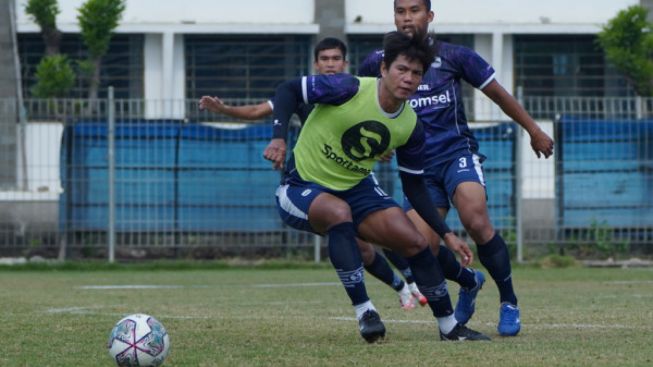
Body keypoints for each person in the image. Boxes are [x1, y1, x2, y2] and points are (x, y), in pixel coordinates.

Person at [269, 30, 490, 343]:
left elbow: (414, 188)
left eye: (416, 73)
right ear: (384, 68)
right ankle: (365, 311)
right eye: (402, 69)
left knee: (415, 242)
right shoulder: (348, 87)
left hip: (357, 190)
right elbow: (288, 90)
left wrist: (447, 234)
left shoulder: (410, 125)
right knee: (338, 212)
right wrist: (278, 137)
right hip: (300, 186)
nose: (408, 78)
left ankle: (449, 327)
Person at [358, 0, 555, 336]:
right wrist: (376, 144)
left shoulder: (455, 56)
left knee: (476, 220)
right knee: (419, 246)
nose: (408, 17)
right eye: (401, 11)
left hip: (455, 154)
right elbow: (363, 107)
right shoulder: (377, 62)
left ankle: (509, 301)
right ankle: (468, 280)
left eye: (415, 10)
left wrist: (533, 130)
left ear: (429, 16)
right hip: (417, 169)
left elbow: (498, 94)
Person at [199, 37, 427, 310]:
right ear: (316, 64)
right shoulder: (309, 92)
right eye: (325, 59)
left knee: (383, 229)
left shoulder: (357, 89)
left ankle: (413, 282)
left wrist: (381, 148)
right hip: (315, 180)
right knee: (362, 247)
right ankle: (401, 287)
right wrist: (224, 109)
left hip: (355, 180)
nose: (330, 64)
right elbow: (260, 109)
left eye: (336, 59)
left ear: (346, 63)